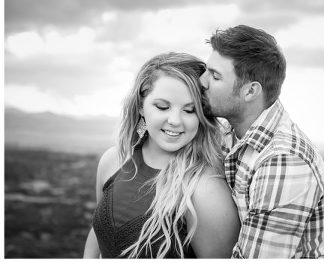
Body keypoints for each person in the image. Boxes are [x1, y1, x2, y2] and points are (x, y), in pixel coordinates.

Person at [83, 52, 240, 258]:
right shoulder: (113, 161)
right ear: (141, 105)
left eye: (190, 110)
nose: (175, 120)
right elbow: (98, 234)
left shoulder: (206, 190)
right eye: (162, 107)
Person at [201, 25, 324, 258]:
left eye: (215, 75)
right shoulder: (231, 130)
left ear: (250, 92)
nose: (202, 81)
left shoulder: (283, 161)